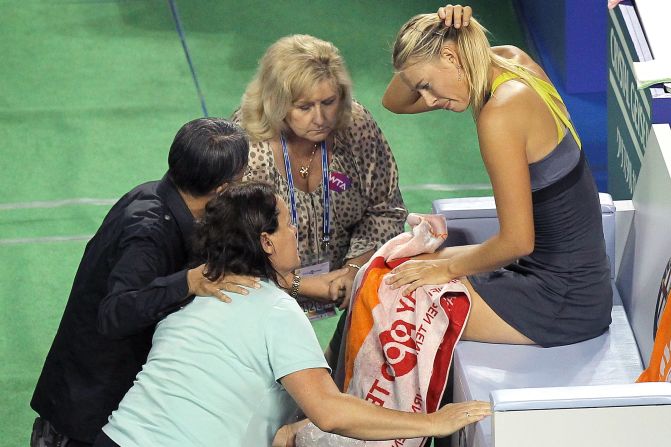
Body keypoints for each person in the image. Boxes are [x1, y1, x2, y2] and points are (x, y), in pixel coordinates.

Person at [91, 181, 491, 447]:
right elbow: (330, 412)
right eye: (287, 224)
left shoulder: (189, 298)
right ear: (266, 242)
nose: (296, 230)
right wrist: (433, 423)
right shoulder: (275, 310)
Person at [382, 5, 612, 347]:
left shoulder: (500, 115)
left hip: (562, 301)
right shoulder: (511, 60)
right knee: (395, 269)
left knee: (390, 298)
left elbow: (517, 242)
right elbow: (394, 101)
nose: (426, 99)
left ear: (451, 57)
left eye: (427, 85)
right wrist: (444, 30)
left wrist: (444, 269)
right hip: (558, 276)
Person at [30, 118, 256, 447]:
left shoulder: (160, 196)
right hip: (85, 415)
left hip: (103, 397)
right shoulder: (149, 231)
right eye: (240, 176)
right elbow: (115, 313)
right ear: (223, 187)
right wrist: (187, 282)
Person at [235, 34, 408, 366]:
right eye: (304, 107)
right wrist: (301, 284)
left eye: (328, 102)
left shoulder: (356, 125)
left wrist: (353, 270)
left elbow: (385, 208)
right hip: (267, 291)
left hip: (344, 275)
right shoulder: (245, 148)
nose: (320, 118)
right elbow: (237, 252)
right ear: (276, 102)